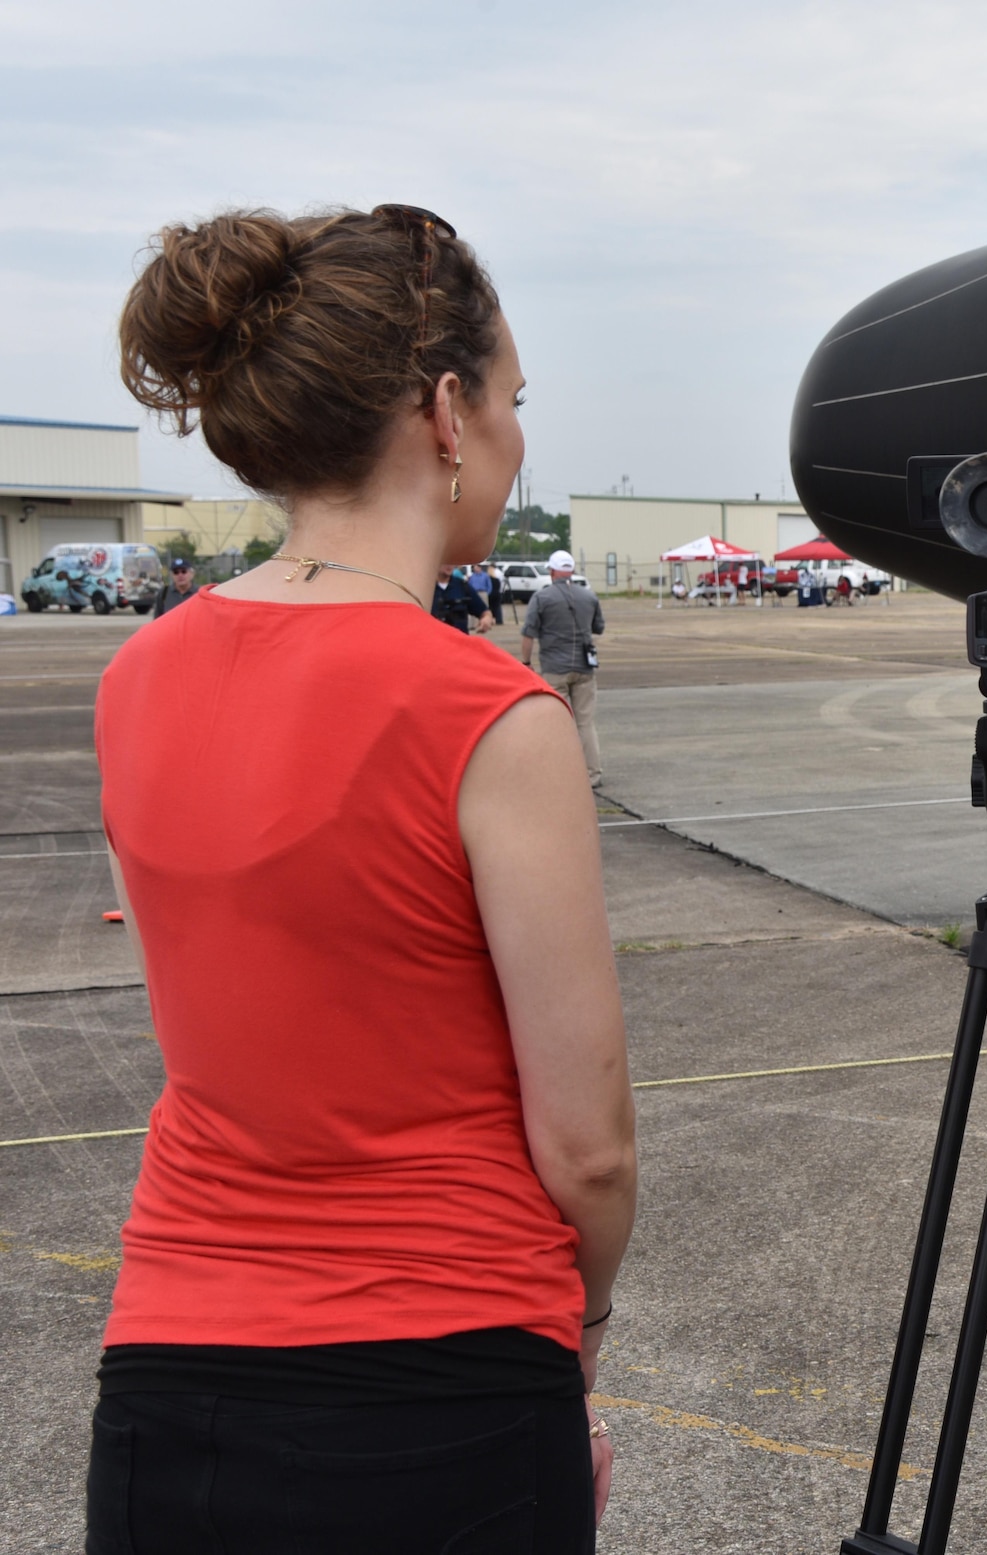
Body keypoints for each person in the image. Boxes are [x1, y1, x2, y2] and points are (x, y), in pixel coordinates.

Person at [92, 204, 634, 1552]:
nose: (517, 435)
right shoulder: (490, 712)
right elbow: (589, 1143)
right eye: (513, 399)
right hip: (441, 1368)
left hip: (171, 1366)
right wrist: (583, 1325)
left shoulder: (135, 675)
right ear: (446, 414)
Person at [521, 550, 605, 789]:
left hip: (554, 667)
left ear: (552, 571)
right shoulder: (589, 597)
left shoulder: (542, 598)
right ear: (572, 570)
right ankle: (593, 773)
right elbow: (599, 627)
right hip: (584, 668)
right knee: (585, 723)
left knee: (557, 723)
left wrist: (526, 662)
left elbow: (529, 634)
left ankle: (557, 772)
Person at [433, 563, 494, 633]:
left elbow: (484, 611)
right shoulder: (425, 588)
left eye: (452, 561)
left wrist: (486, 619)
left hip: (458, 640)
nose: (449, 565)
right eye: (445, 562)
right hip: (433, 639)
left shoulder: (462, 586)